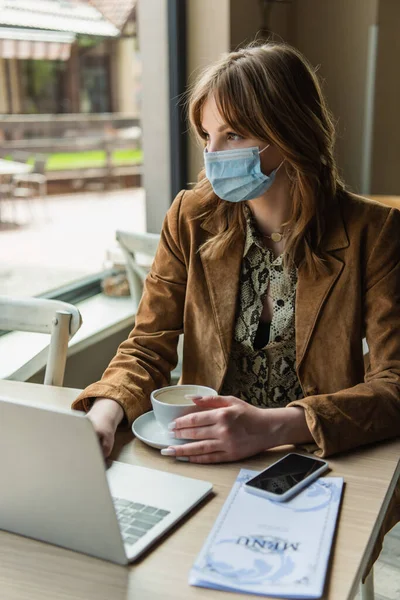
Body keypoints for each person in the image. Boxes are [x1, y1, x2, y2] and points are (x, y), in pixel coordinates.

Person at [72, 42, 400, 468]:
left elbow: (394, 384)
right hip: (207, 452)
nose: (213, 155)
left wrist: (272, 426)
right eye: (208, 136)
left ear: (291, 131)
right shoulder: (189, 218)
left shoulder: (374, 232)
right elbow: (148, 346)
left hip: (320, 457)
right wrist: (104, 413)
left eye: (234, 135)